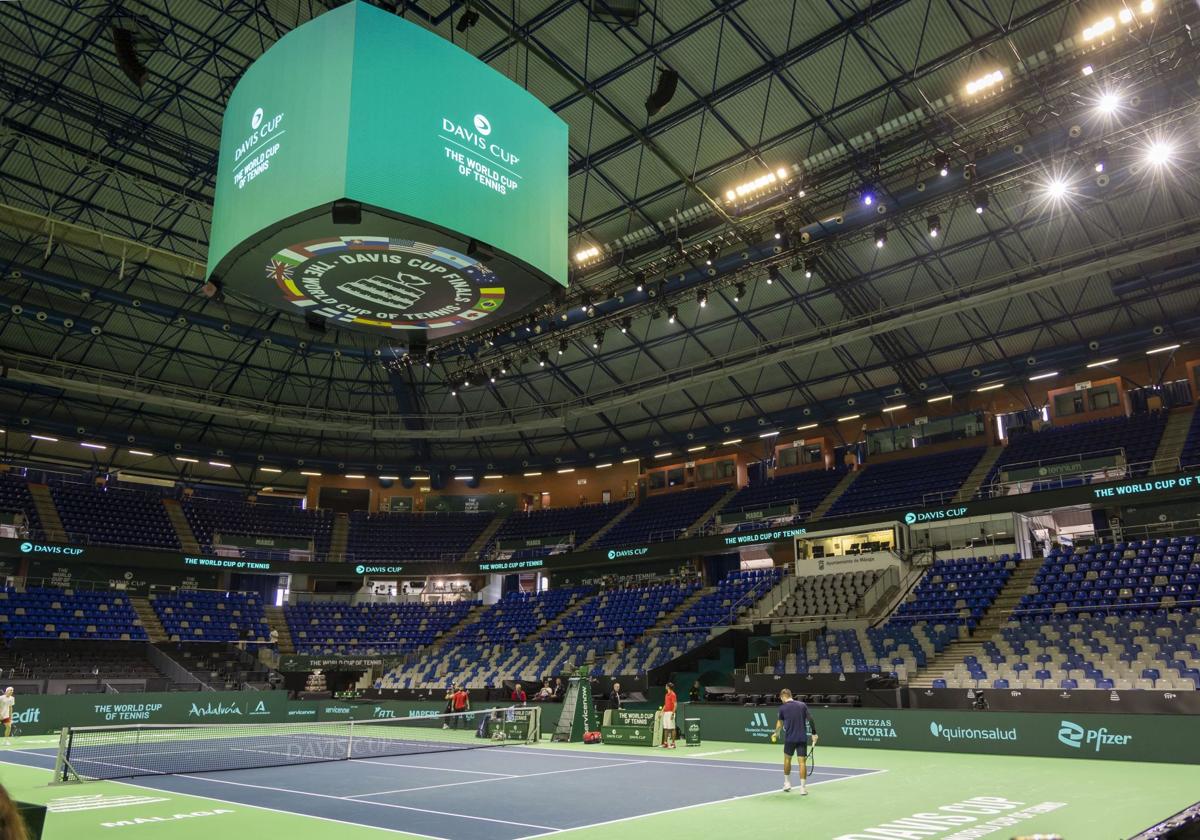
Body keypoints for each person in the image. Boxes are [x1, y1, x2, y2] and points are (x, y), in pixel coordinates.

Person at [771, 688, 818, 794]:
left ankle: (787, 783)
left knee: (787, 760)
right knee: (802, 763)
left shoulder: (782, 708)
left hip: (790, 739)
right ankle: (803, 788)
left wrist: (776, 732)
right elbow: (810, 719)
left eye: (781, 698)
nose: (781, 700)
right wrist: (814, 733)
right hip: (802, 739)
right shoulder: (802, 705)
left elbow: (779, 724)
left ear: (783, 697)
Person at [661, 682, 678, 749]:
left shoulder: (673, 694)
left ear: (668, 687)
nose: (665, 686)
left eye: (666, 686)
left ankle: (673, 743)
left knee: (672, 728)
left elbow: (675, 705)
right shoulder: (666, 695)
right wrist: (662, 712)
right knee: (666, 728)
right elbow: (665, 704)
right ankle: (665, 743)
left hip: (671, 712)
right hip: (666, 713)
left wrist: (673, 714)